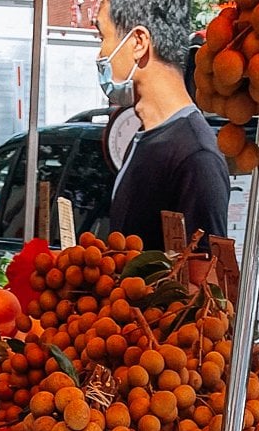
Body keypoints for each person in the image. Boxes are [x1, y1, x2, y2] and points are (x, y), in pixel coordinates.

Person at [97, 0, 231, 252]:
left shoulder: (196, 157)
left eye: (102, 37)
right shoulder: (143, 138)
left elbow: (203, 273)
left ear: (138, 42)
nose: (100, 55)